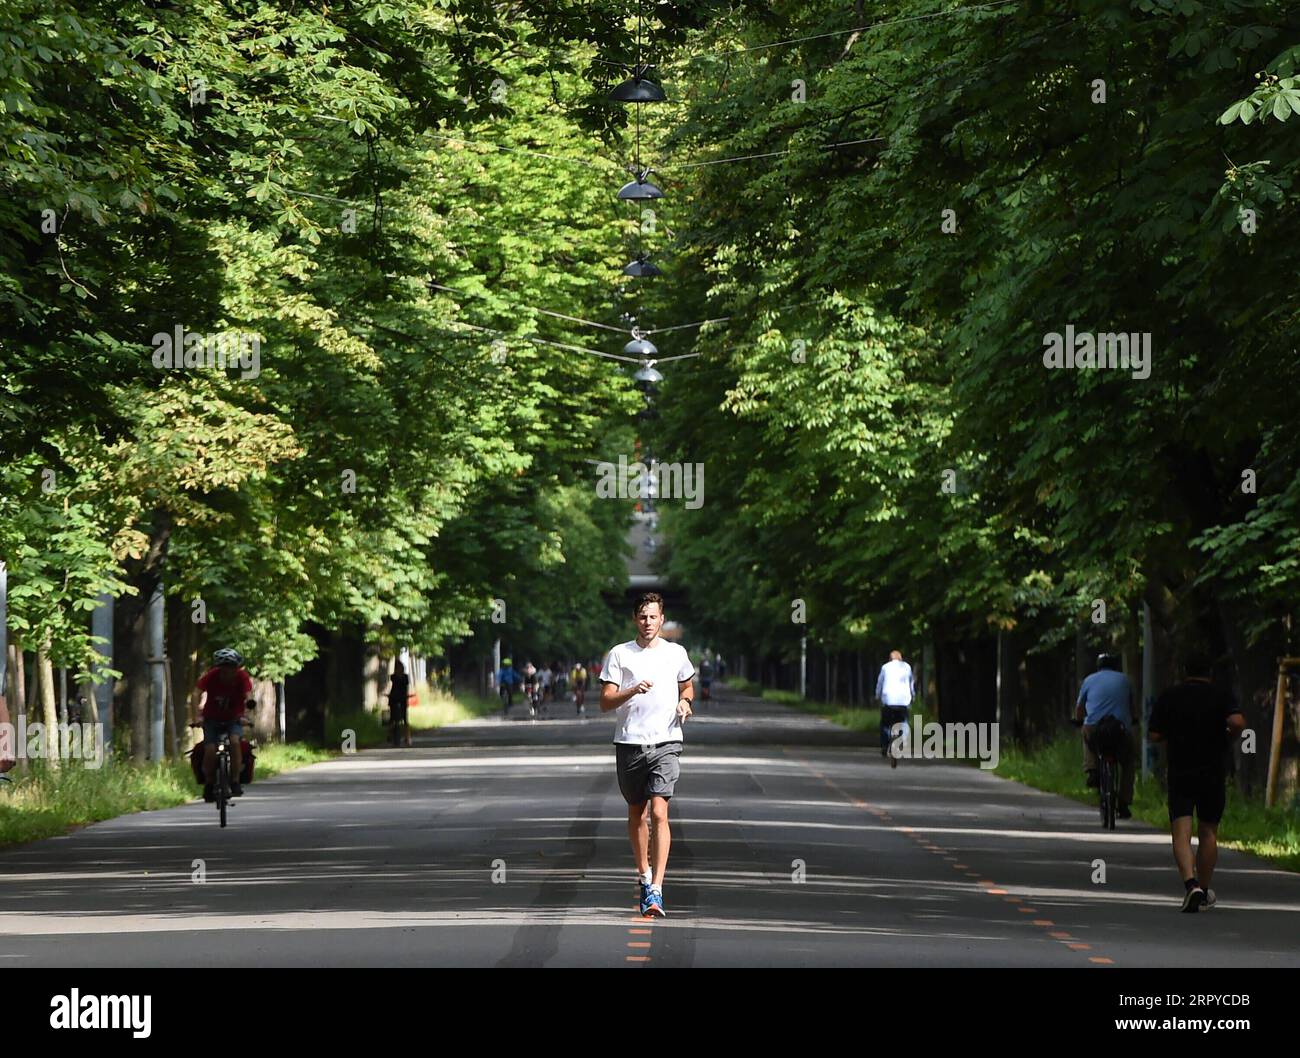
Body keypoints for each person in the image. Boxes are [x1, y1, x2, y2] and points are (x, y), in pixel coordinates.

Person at [600, 592, 695, 918]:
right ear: (634, 619)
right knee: (637, 813)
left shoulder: (676, 653)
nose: (648, 622)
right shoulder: (619, 654)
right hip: (629, 742)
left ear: (662, 619)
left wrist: (686, 703)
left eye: (653, 617)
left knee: (659, 812)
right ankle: (643, 875)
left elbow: (687, 686)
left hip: (666, 741)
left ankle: (657, 887)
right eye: (642, 617)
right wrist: (632, 689)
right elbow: (606, 701)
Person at [1149, 653, 1246, 912]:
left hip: (1180, 770)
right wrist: (1229, 737)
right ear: (1209, 672)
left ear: (1184, 670)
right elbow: (1237, 722)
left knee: (1181, 832)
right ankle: (1203, 891)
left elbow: (1154, 734)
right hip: (1212, 770)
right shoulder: (1221, 694)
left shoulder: (1170, 696)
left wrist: (1176, 731)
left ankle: (1190, 885)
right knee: (1208, 832)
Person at [1074, 653, 1137, 818]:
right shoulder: (1125, 680)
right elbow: (1132, 705)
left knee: (1086, 735)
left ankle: (1092, 769)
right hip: (1120, 729)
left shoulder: (1089, 680)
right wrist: (1134, 719)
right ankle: (1124, 802)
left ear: (1098, 665)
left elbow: (1080, 708)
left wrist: (1078, 721)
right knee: (1128, 762)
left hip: (1096, 727)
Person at [196, 648, 251, 799]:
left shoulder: (242, 677)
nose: (228, 672)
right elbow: (199, 692)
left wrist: (247, 713)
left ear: (236, 668)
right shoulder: (211, 676)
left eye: (232, 668)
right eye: (224, 668)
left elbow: (248, 696)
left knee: (234, 742)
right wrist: (199, 716)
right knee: (209, 749)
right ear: (219, 668)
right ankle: (209, 784)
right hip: (211, 718)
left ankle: (235, 781)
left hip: (234, 718)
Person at [875, 649, 915, 768]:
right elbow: (911, 684)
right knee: (904, 722)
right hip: (903, 701)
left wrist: (877, 696)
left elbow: (880, 683)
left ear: (890, 658)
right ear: (900, 658)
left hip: (888, 701)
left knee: (885, 724)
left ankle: (885, 745)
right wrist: (913, 696)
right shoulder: (907, 667)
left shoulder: (885, 667)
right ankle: (903, 742)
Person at [386, 659, 411, 747]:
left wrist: (408, 696)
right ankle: (389, 734)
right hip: (394, 698)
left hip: (403, 698)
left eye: (401, 668)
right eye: (398, 668)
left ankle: (407, 738)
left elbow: (407, 688)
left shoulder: (405, 677)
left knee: (405, 719)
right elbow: (390, 687)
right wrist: (388, 695)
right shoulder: (393, 677)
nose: (400, 669)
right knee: (392, 718)